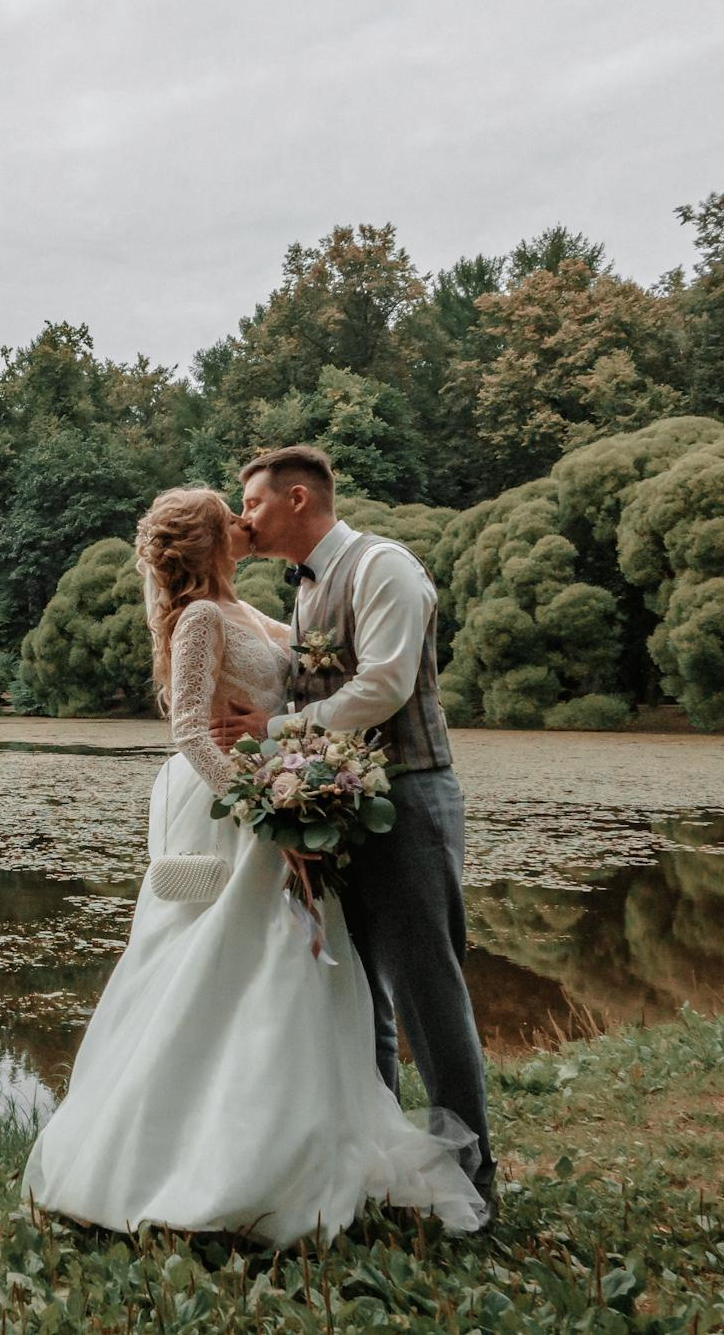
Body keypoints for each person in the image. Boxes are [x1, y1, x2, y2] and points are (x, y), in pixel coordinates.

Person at [22, 484, 486, 1245]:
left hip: (286, 808)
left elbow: (315, 675)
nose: (244, 523)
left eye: (249, 506)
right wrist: (265, 808)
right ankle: (205, 1164)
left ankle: (311, 1148)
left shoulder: (256, 613)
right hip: (247, 824)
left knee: (304, 984)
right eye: (230, 513)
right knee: (238, 979)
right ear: (209, 539)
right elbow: (190, 734)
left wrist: (303, 780)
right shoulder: (200, 618)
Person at [214, 444, 496, 1210]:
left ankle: (473, 1178)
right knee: (356, 994)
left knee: (426, 993)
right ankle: (383, 1167)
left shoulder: (384, 567)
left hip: (406, 800)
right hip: (334, 810)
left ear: (299, 498)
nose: (247, 517)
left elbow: (384, 684)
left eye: (257, 504)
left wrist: (279, 730)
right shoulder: (302, 592)